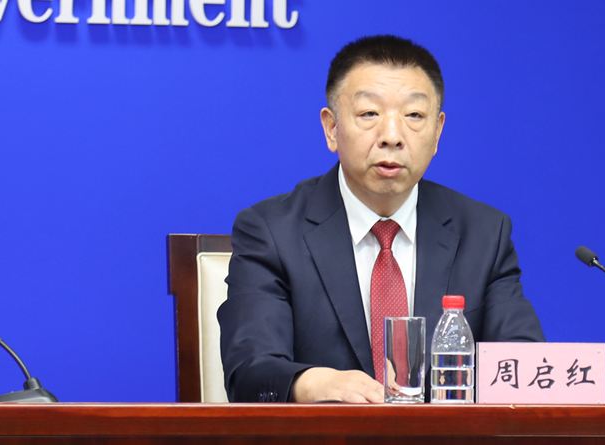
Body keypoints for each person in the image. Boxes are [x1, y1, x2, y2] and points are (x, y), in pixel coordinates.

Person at [218, 35, 544, 404]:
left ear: (437, 132)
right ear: (331, 128)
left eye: (414, 116)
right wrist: (311, 384)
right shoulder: (272, 231)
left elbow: (523, 367)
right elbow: (250, 370)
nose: (392, 136)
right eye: (369, 114)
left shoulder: (483, 233)